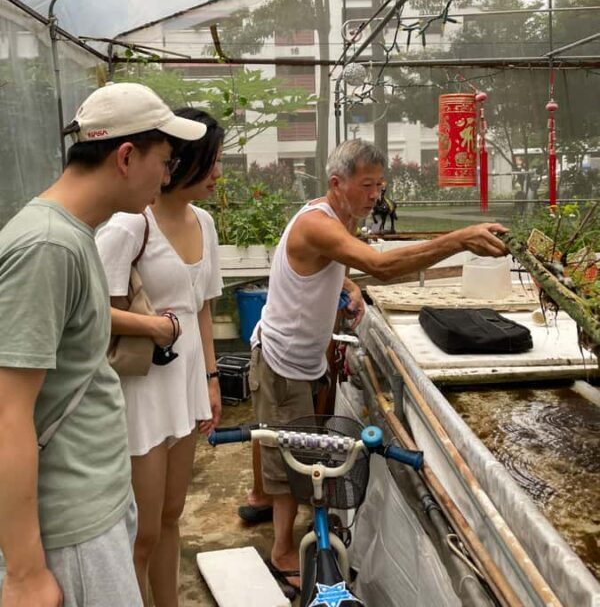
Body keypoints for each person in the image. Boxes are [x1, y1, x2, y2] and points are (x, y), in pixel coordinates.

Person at [248, 139, 507, 596]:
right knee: (287, 456)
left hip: (303, 359)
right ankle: (282, 551)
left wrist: (343, 282)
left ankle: (284, 525)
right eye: (366, 185)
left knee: (296, 444)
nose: (375, 195)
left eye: (379, 185)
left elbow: (331, 262)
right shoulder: (317, 223)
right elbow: (381, 267)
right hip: (283, 360)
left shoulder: (335, 220)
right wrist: (458, 239)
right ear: (336, 184)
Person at [0, 83, 206, 607]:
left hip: (94, 503)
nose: (168, 175)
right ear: (126, 156)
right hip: (72, 528)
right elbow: (8, 413)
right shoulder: (47, 247)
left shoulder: (73, 235)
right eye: (165, 159)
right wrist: (25, 573)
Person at [95, 108, 224, 607]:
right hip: (143, 391)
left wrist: (211, 379)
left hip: (185, 385)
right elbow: (94, 312)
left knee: (172, 516)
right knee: (142, 530)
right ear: (183, 162)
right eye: (211, 161)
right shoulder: (131, 224)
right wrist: (152, 326)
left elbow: (204, 309)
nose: (218, 173)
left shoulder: (205, 223)